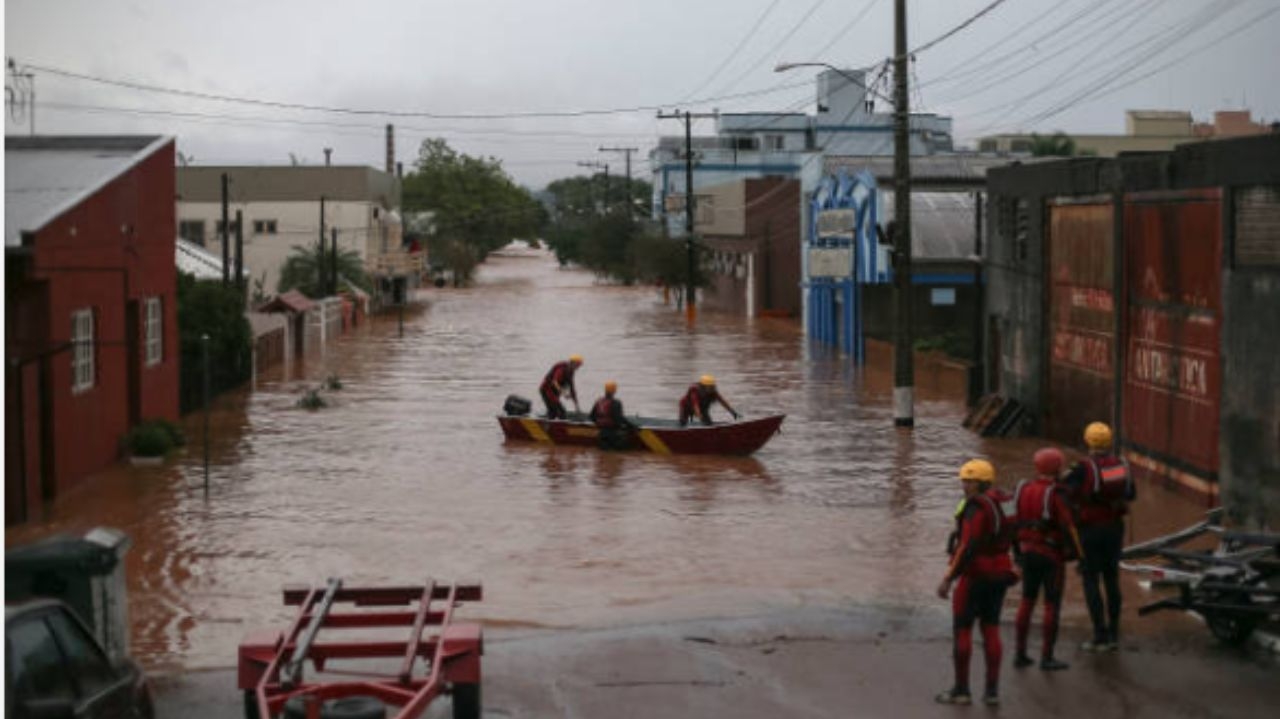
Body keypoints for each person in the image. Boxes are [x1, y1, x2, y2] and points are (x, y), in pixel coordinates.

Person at [936, 459, 1017, 706]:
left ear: (980, 482)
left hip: (976, 576)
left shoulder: (975, 508)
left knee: (963, 629)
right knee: (991, 627)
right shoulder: (1006, 502)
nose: (964, 485)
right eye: (964, 480)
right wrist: (1018, 564)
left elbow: (967, 546)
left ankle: (962, 691)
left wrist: (948, 578)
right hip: (1000, 573)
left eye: (968, 481)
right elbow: (1018, 531)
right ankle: (991, 693)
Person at [1064, 421, 1136, 652]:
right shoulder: (1121, 464)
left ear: (1088, 442)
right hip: (1115, 528)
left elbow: (1064, 494)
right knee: (1112, 578)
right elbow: (1131, 494)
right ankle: (1114, 633)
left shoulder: (1082, 468)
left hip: (1090, 530)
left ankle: (1099, 634)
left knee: (1090, 579)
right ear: (1109, 442)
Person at [1012, 447, 1083, 672]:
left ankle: (1020, 653)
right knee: (1051, 604)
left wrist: (1017, 555)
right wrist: (1079, 555)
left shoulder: (1023, 489)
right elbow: (1070, 527)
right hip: (1051, 556)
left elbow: (1013, 523)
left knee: (1027, 600)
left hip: (1027, 552)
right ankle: (1047, 657)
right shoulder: (1056, 494)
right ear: (1057, 467)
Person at [589, 380, 635, 450]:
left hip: (601, 435)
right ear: (614, 391)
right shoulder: (616, 403)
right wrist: (632, 426)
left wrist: (599, 424)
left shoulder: (598, 401)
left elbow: (591, 417)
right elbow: (619, 419)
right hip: (614, 436)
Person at [539, 355, 583, 420]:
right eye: (577, 365)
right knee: (559, 411)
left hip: (554, 392)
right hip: (546, 390)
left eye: (578, 366)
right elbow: (555, 382)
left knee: (556, 411)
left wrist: (577, 406)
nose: (577, 368)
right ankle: (550, 426)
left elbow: (572, 389)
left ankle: (552, 423)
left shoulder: (570, 372)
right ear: (572, 363)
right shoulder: (561, 369)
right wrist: (563, 393)